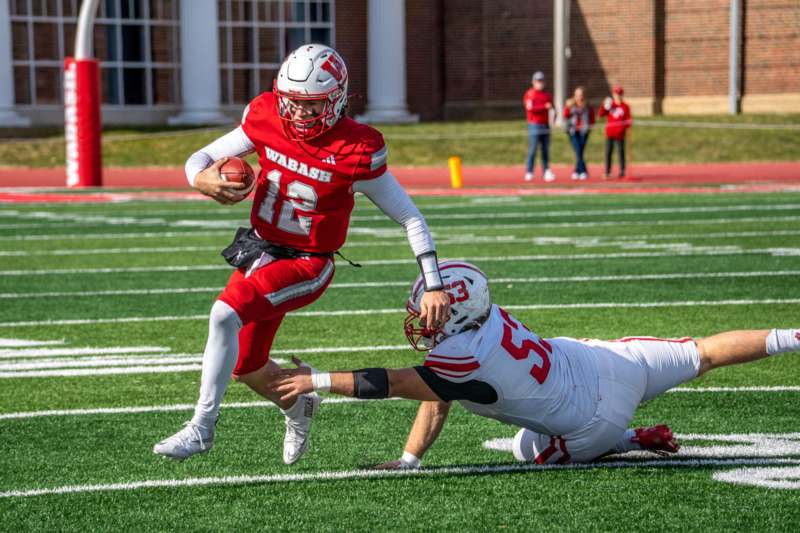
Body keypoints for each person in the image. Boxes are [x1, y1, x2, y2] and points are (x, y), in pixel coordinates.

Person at [153, 44, 451, 463]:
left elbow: (411, 218)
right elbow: (199, 158)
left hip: (307, 263)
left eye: (310, 106)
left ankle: (202, 428)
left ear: (336, 100)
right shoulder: (266, 115)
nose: (298, 114)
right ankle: (299, 404)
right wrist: (200, 179)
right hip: (260, 250)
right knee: (246, 365)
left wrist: (434, 284)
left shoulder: (357, 148)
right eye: (292, 103)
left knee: (223, 313)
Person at [271, 261, 799, 468]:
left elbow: (397, 383)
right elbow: (436, 391)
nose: (424, 321)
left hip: (596, 422)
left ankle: (634, 438)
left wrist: (315, 379)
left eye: (431, 312)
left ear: (455, 314)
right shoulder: (488, 318)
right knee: (703, 352)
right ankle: (791, 336)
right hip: (615, 361)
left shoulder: (461, 353)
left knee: (526, 450)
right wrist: (409, 459)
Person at [522, 71, 555, 183]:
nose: (540, 83)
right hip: (534, 124)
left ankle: (546, 171)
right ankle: (529, 171)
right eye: (537, 81)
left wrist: (553, 118)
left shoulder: (547, 95)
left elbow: (552, 108)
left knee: (545, 149)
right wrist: (544, 107)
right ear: (533, 82)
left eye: (541, 81)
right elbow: (530, 109)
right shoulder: (529, 94)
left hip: (545, 124)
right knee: (533, 148)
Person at [597, 86, 632, 179]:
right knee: (608, 152)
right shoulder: (610, 105)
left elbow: (628, 120)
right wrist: (604, 105)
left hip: (620, 134)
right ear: (613, 94)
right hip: (610, 133)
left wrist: (624, 127)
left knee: (621, 152)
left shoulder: (625, 106)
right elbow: (600, 114)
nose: (617, 96)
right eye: (616, 94)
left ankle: (622, 170)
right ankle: (607, 171)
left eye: (619, 94)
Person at [563, 86, 595, 180]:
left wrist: (590, 127)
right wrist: (567, 107)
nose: (579, 97)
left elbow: (592, 118)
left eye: (581, 95)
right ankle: (583, 171)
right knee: (578, 151)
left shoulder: (587, 106)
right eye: (577, 95)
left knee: (580, 152)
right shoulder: (571, 105)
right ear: (574, 95)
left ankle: (577, 171)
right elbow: (565, 116)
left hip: (583, 132)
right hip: (573, 131)